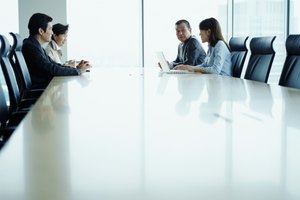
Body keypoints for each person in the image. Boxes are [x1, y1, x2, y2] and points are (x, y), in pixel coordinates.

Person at [22, 13, 91, 89]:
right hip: (39, 92)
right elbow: (52, 69)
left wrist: (76, 69)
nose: (52, 32)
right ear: (41, 31)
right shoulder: (31, 47)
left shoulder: (36, 46)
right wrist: (78, 71)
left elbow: (54, 65)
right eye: (50, 29)